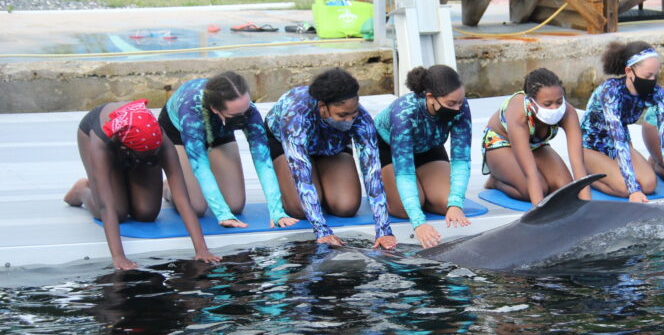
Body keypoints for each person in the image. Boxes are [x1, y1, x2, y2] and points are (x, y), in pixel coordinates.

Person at [64, 100, 221, 270]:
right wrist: (119, 257)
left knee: (146, 213)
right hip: (99, 137)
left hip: (140, 146)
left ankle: (159, 182)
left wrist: (201, 249)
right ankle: (83, 190)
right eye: (149, 157)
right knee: (118, 212)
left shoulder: (159, 137)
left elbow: (182, 197)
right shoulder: (101, 141)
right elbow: (106, 206)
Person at [265, 68, 397, 249]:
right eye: (342, 115)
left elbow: (372, 172)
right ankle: (287, 179)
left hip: (332, 145)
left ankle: (323, 174)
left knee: (346, 207)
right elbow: (302, 176)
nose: (349, 119)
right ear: (322, 107)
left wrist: (383, 230)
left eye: (353, 113)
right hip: (287, 145)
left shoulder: (361, 119)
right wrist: (322, 231)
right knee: (299, 209)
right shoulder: (296, 116)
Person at [158, 71, 296, 229]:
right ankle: (170, 187)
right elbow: (200, 166)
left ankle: (197, 180)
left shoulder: (246, 111)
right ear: (215, 109)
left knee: (235, 205)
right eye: (237, 115)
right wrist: (222, 214)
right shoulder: (191, 111)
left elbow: (263, 161)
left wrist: (276, 211)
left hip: (221, 129)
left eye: (246, 111)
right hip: (180, 133)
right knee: (196, 207)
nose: (245, 118)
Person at [374, 65, 472, 248]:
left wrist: (455, 203)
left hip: (428, 145)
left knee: (447, 203)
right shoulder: (404, 113)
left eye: (460, 101)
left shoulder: (460, 105)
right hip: (389, 146)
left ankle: (422, 192)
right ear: (430, 98)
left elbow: (461, 159)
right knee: (405, 210)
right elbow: (404, 172)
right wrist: (418, 223)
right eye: (452, 104)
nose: (458, 108)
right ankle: (390, 191)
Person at [579, 41, 664, 207]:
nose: (652, 80)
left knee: (649, 185)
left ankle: (613, 173)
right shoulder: (611, 92)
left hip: (619, 146)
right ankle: (585, 177)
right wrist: (634, 190)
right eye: (648, 75)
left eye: (655, 75)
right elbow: (618, 140)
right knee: (625, 188)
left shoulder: (657, 93)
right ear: (629, 71)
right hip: (591, 147)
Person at [481, 68, 590, 205]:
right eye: (547, 104)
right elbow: (530, 173)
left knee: (565, 189)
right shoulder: (519, 114)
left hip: (535, 145)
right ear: (531, 102)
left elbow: (578, 163)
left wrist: (586, 206)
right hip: (502, 143)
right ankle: (495, 181)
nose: (554, 108)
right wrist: (539, 212)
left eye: (559, 101)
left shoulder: (568, 113)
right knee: (536, 189)